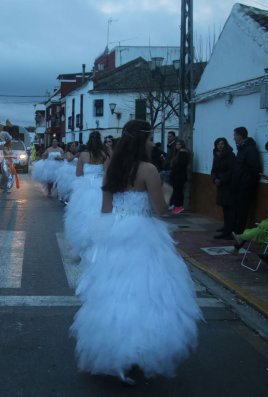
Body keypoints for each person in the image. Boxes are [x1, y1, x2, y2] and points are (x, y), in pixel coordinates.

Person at [70, 120, 203, 385]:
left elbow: (106, 208)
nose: (154, 144)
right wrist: (167, 191)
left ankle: (116, 350)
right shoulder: (148, 169)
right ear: (142, 141)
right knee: (144, 293)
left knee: (114, 291)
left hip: (114, 231)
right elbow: (160, 210)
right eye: (151, 139)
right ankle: (136, 350)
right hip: (142, 233)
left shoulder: (112, 167)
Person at [64, 131, 108, 257]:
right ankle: (96, 245)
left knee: (81, 215)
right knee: (99, 214)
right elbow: (107, 173)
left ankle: (82, 245)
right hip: (100, 186)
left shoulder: (83, 155)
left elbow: (78, 174)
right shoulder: (103, 155)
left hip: (84, 186)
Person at [230, 126, 262, 235]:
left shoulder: (250, 149)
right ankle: (234, 230)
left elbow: (254, 168)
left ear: (240, 135)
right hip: (238, 185)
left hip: (245, 186)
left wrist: (245, 182)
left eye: (235, 135)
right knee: (237, 209)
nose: (233, 138)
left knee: (242, 211)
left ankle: (239, 233)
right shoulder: (242, 148)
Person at [211, 137, 235, 239]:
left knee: (229, 207)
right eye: (218, 144)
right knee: (224, 207)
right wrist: (214, 178)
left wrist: (221, 179)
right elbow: (213, 169)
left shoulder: (230, 155)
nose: (220, 146)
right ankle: (226, 227)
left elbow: (231, 170)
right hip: (220, 185)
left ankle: (229, 231)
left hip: (228, 185)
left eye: (222, 144)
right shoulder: (216, 155)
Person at [169, 139, 190, 214]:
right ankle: (176, 205)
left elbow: (181, 165)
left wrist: (174, 171)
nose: (177, 146)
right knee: (176, 191)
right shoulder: (178, 153)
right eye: (177, 144)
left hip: (179, 176)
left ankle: (179, 206)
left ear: (182, 145)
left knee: (178, 192)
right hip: (177, 176)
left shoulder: (183, 153)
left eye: (179, 144)